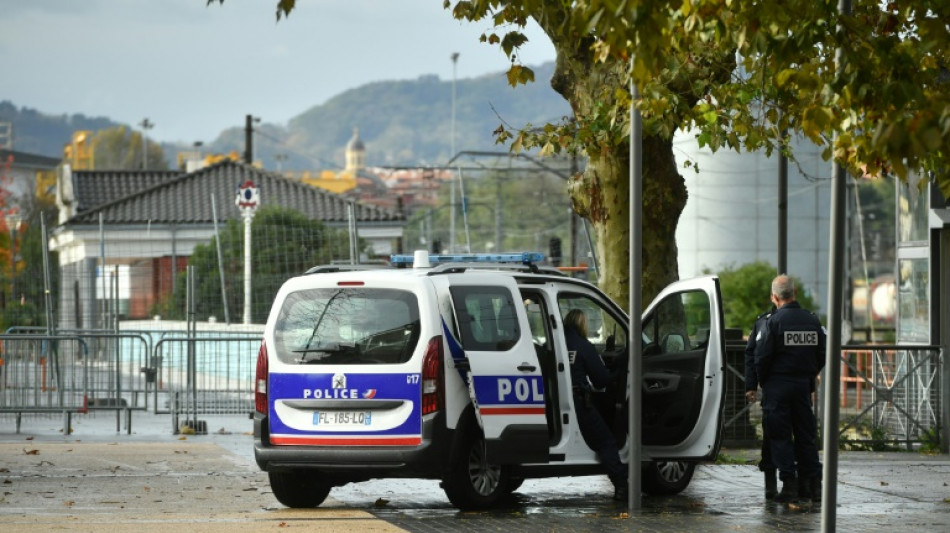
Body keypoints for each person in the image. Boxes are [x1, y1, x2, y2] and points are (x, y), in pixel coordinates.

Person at [754, 275, 826, 504]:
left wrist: (764, 381)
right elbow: (822, 353)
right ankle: (813, 488)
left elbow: (762, 356)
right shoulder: (812, 321)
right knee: (806, 436)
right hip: (803, 387)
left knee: (780, 436)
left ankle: (790, 486)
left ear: (774, 297)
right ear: (794, 294)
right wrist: (809, 373)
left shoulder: (773, 322)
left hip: (778, 387)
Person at [564, 308, 628, 501]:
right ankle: (622, 486)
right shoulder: (583, 346)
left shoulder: (559, 342)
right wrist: (617, 370)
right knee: (606, 441)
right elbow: (600, 380)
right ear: (582, 324)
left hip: (563, 400)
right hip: (579, 402)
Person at [745, 305, 777, 499]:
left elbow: (757, 355)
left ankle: (773, 486)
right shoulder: (808, 320)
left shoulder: (764, 322)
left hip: (774, 387)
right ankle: (805, 487)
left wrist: (756, 383)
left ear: (773, 297)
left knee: (772, 435)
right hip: (800, 389)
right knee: (801, 437)